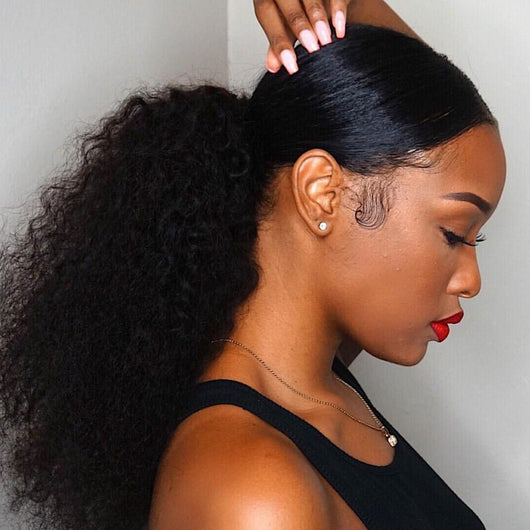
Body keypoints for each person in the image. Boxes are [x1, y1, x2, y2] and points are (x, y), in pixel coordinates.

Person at [0, 1, 505, 529]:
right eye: (454, 233)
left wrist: (344, 7)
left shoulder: (311, 380)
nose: (471, 281)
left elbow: (436, 127)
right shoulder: (258, 494)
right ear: (322, 193)